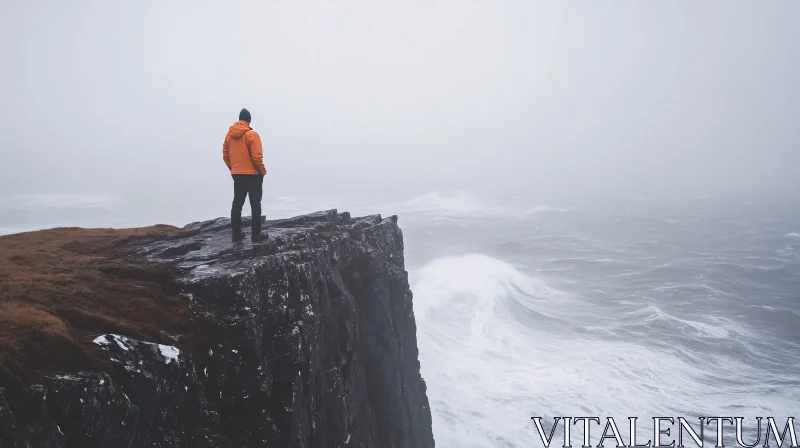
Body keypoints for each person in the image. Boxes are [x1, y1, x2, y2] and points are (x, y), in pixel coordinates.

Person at [222, 108, 268, 242]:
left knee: (237, 204)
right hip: (253, 175)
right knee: (255, 204)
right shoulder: (252, 135)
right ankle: (256, 234)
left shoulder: (229, 136)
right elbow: (257, 157)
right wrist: (262, 171)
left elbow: (225, 155)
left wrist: (234, 168)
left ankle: (236, 234)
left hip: (237, 174)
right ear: (249, 120)